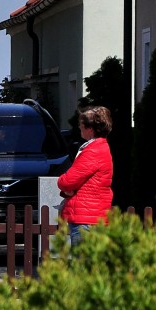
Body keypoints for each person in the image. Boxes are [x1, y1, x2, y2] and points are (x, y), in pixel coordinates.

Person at [57, 105, 114, 247]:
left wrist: (63, 182)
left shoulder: (92, 151)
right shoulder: (100, 147)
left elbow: (67, 181)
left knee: (83, 265)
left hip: (86, 219)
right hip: (93, 215)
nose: (79, 127)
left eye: (81, 124)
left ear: (91, 128)